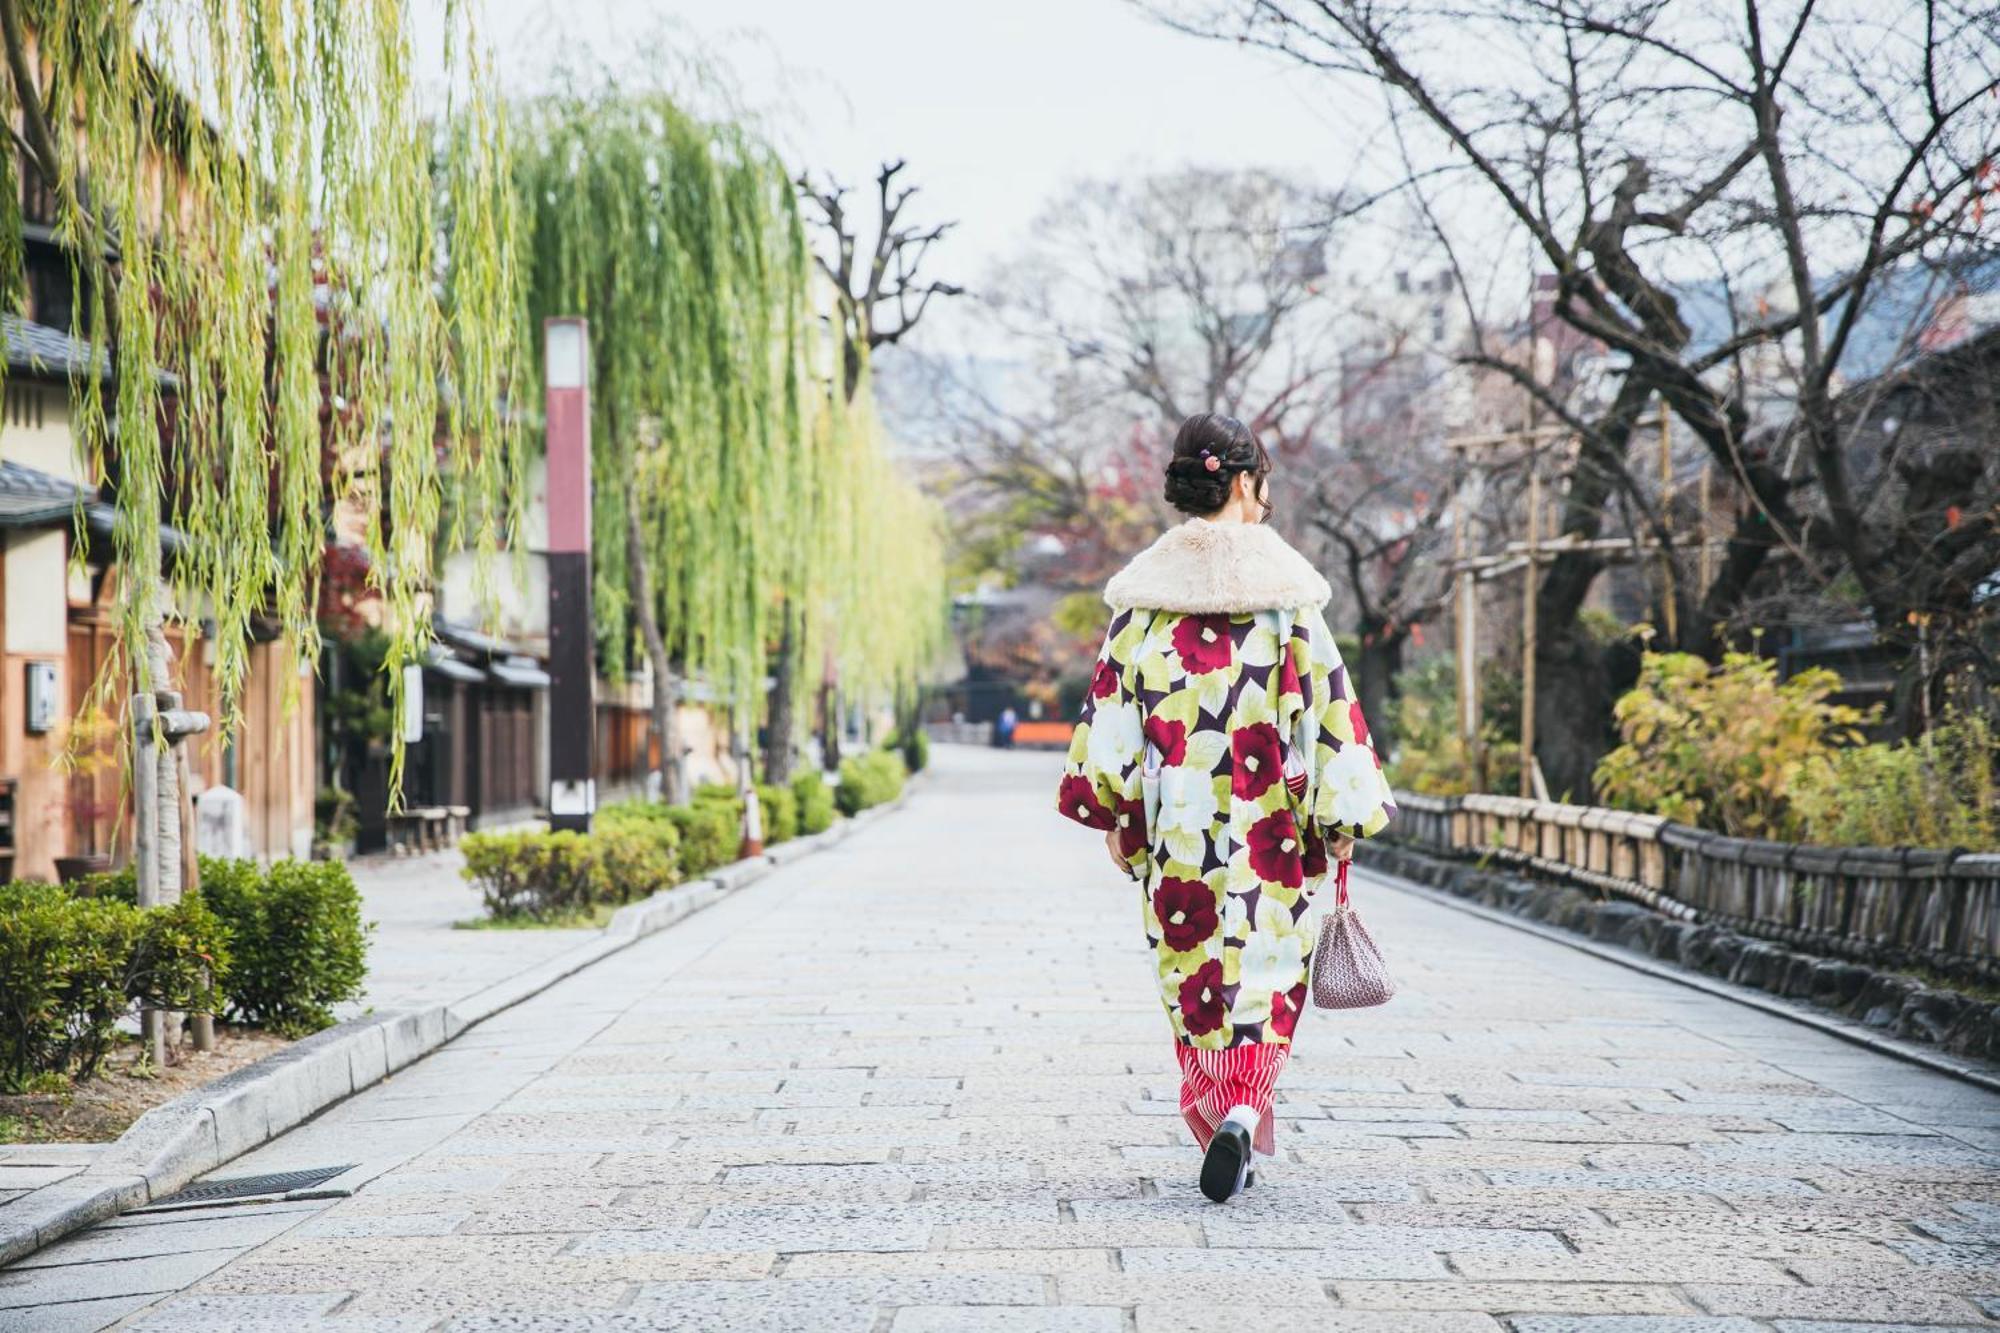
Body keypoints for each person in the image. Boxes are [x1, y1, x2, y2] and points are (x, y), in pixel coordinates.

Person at [1056, 412, 1396, 1203]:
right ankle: (1245, 1105)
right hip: (1275, 829)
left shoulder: (1141, 609)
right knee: (1270, 972)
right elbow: (1332, 715)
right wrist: (1343, 820)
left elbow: (1110, 723)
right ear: (1244, 481)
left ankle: (1220, 1107)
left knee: (1197, 976)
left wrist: (1114, 813)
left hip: (1179, 833)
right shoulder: (1289, 606)